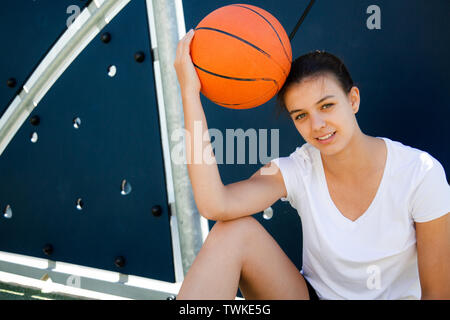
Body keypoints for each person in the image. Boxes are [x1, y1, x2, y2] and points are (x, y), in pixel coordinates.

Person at [173, 29, 450, 300]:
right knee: (232, 231)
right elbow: (215, 205)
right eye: (301, 115)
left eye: (327, 106)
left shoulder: (420, 174)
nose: (317, 125)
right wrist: (189, 92)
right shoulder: (298, 168)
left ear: (353, 99)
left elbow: (438, 294)